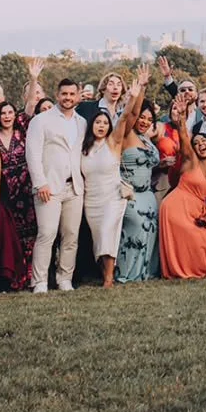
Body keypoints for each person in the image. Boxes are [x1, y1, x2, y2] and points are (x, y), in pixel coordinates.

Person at [26, 77, 89, 293]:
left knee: (71, 235)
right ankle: (40, 281)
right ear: (57, 94)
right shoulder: (41, 120)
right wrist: (40, 182)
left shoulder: (81, 122)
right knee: (47, 233)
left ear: (78, 95)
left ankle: (65, 279)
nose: (68, 98)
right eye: (64, 94)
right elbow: (32, 154)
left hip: (75, 187)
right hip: (49, 187)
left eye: (72, 94)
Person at [82, 97, 143, 289]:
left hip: (112, 197)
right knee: (98, 237)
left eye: (105, 123)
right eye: (98, 122)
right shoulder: (84, 148)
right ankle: (106, 272)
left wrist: (133, 96)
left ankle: (108, 279)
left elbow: (124, 117)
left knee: (108, 232)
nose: (101, 126)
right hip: (91, 199)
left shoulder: (113, 142)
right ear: (92, 125)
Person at [159, 112, 206, 280]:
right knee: (194, 235)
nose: (200, 144)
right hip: (176, 207)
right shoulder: (190, 160)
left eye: (203, 141)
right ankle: (183, 271)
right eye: (196, 143)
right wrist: (181, 122)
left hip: (197, 211)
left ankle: (198, 270)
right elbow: (185, 138)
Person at [116, 70, 161, 283]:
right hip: (131, 195)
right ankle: (127, 275)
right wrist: (141, 88)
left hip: (149, 196)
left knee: (149, 234)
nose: (144, 121)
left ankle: (145, 274)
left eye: (149, 119)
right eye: (142, 117)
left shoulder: (146, 139)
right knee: (132, 235)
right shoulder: (125, 134)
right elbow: (130, 115)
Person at [0, 100, 35, 291]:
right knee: (12, 234)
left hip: (26, 187)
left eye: (10, 112)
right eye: (3, 113)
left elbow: (30, 106)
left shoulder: (22, 132)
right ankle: (16, 276)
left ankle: (32, 275)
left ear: (15, 115)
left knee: (31, 233)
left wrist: (33, 79)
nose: (7, 116)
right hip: (6, 190)